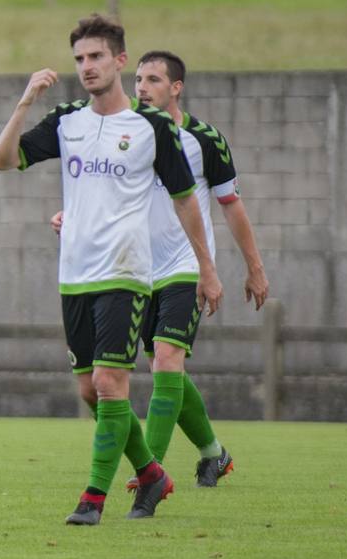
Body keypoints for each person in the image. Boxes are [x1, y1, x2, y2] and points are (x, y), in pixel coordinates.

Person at [0, 14, 223, 526]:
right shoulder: (68, 121)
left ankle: (92, 499)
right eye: (79, 59)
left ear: (120, 60)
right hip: (75, 273)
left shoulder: (151, 126)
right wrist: (25, 101)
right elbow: (4, 160)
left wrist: (207, 268)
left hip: (126, 271)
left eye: (96, 57)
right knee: (89, 391)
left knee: (111, 383)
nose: (86, 67)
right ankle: (153, 473)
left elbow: (187, 201)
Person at [52, 51, 268, 490]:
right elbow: (99, 190)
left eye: (153, 79)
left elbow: (231, 206)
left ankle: (150, 474)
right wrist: (70, 218)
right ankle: (214, 454)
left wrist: (252, 268)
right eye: (138, 79)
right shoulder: (126, 132)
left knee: (167, 360)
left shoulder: (205, 140)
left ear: (176, 88)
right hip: (133, 270)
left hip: (184, 267)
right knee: (164, 370)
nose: (142, 87)